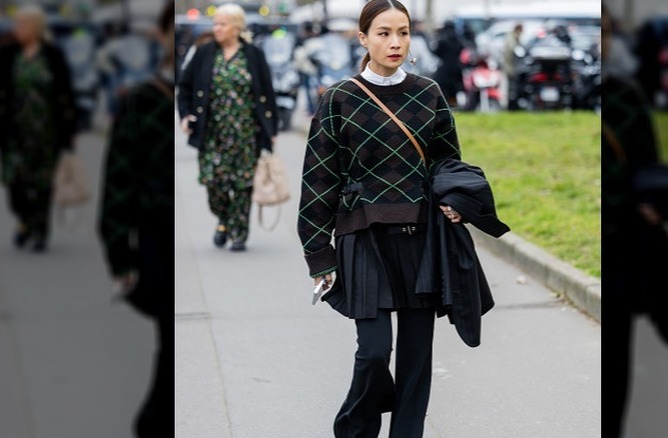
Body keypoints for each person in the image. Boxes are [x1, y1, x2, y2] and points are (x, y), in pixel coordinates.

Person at [297, 1, 467, 436]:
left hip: (420, 238)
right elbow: (318, 180)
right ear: (363, 38)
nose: (395, 42)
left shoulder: (429, 94)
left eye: (403, 32)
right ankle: (355, 429)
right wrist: (320, 255)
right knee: (373, 352)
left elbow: (448, 164)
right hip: (362, 238)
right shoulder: (339, 98)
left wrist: (455, 200)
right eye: (384, 32)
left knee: (416, 356)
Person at [602, 6, 668, 437]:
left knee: (613, 352)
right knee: (614, 355)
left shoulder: (621, 93)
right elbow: (647, 168)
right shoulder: (621, 92)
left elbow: (647, 168)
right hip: (615, 238)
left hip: (617, 242)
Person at [98, 2, 175, 436]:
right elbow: (117, 187)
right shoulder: (142, 100)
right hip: (156, 239)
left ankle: (153, 423)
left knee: (169, 350)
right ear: (162, 38)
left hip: (173, 240)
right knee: (168, 344)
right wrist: (120, 259)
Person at [178, 3, 278, 251]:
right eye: (216, 24)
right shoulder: (204, 53)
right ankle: (223, 218)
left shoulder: (253, 54)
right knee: (214, 184)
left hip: (246, 134)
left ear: (236, 27)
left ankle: (238, 232)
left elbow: (267, 92)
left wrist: (271, 129)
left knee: (243, 184)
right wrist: (185, 115)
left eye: (222, 24)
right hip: (212, 133)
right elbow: (185, 86)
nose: (217, 29)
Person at [0, 5, 76, 252]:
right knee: (15, 182)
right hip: (14, 134)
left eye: (23, 24)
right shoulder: (9, 54)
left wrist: (69, 131)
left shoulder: (52, 55)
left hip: (47, 134)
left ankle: (40, 230)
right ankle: (25, 220)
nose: (18, 29)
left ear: (36, 27)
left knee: (42, 183)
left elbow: (66, 92)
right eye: (17, 23)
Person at [431, 20, 464, 106]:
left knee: (443, 88)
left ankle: (444, 105)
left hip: (444, 69)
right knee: (454, 88)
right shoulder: (459, 40)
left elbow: (435, 52)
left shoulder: (443, 40)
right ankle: (453, 104)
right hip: (457, 68)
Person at [503, 23, 523, 110]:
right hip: (511, 68)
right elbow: (513, 51)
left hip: (511, 67)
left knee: (512, 88)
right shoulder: (512, 38)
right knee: (512, 89)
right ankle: (512, 106)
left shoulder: (512, 37)